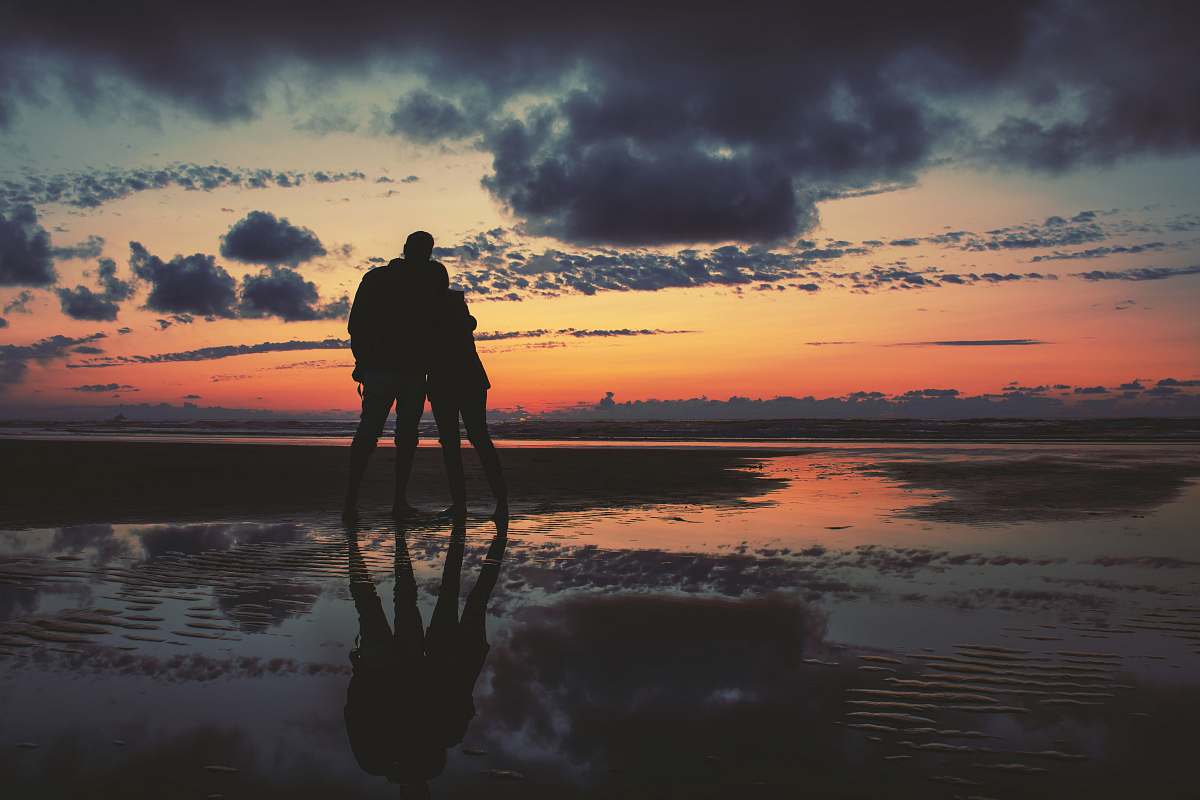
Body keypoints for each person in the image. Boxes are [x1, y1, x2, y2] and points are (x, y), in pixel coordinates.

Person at [343, 518, 508, 793]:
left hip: (394, 667)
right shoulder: (376, 762)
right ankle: (371, 544)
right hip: (388, 667)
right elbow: (353, 713)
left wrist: (361, 676)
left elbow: (354, 714)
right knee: (378, 601)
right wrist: (360, 674)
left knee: (395, 598)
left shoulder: (409, 761)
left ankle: (389, 540)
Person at [342, 231, 448, 523]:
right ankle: (373, 502)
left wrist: (361, 361)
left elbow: (356, 325)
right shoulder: (406, 278)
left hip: (401, 369)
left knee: (383, 433)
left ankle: (365, 502)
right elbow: (358, 325)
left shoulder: (396, 278)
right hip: (395, 369)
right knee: (387, 434)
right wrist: (363, 361)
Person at [427, 289, 508, 519]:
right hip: (459, 380)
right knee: (472, 438)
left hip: (454, 380)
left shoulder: (439, 306)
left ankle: (486, 502)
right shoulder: (451, 305)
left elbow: (461, 326)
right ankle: (478, 503)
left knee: (466, 440)